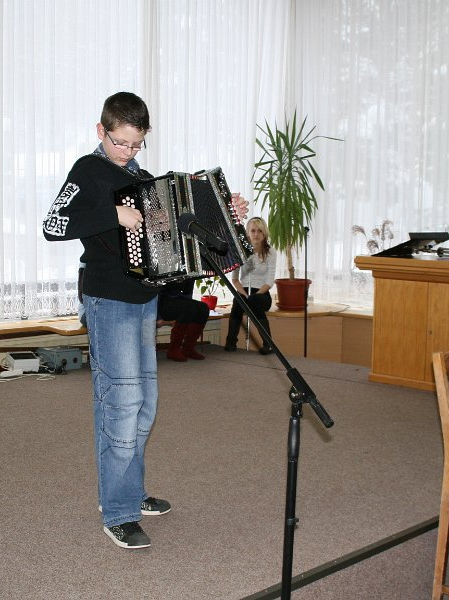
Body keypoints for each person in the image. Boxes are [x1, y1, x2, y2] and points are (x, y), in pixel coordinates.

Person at [42, 91, 246, 549]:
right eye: (120, 142)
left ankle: (128, 492)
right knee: (121, 402)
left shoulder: (144, 180)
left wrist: (225, 214)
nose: (128, 151)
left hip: (144, 299)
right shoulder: (88, 170)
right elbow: (53, 224)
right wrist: (110, 214)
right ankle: (118, 510)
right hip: (108, 300)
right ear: (101, 130)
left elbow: (172, 234)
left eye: (137, 144)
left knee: (143, 402)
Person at [224, 217, 277, 355]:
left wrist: (253, 297)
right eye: (253, 231)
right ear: (247, 232)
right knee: (238, 301)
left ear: (264, 233)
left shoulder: (271, 252)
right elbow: (235, 280)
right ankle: (230, 342)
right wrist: (245, 295)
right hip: (243, 291)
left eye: (260, 231)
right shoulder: (240, 251)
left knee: (254, 301)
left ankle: (268, 344)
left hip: (262, 293)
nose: (256, 234)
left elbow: (269, 281)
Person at [157, 279, 210, 361]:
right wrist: (158, 317)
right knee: (188, 308)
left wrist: (192, 309)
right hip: (160, 302)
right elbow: (155, 293)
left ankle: (188, 349)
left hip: (178, 299)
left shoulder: (189, 273)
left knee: (203, 308)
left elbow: (188, 293)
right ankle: (173, 350)